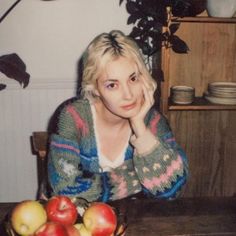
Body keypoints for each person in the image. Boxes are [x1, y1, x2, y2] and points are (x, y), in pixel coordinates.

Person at [48, 30, 188, 202]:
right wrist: (141, 176)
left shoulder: (152, 121)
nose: (128, 95)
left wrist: (140, 128)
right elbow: (66, 190)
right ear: (95, 88)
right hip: (71, 222)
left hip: (133, 221)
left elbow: (172, 189)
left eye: (133, 79)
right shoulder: (72, 118)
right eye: (112, 85)